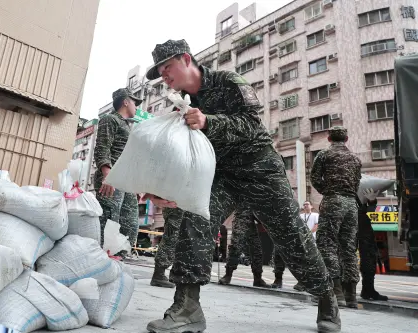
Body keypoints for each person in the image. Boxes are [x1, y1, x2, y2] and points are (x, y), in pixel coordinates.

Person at [141, 39, 340, 333]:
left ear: (186, 59)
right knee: (195, 217)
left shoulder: (228, 81)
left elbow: (250, 123)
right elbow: (181, 148)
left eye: (167, 67)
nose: (165, 77)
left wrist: (209, 121)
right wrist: (159, 185)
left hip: (261, 170)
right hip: (223, 176)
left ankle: (326, 298)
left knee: (291, 235)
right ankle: (187, 307)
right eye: (160, 72)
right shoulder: (181, 103)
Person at [311, 126, 362, 308]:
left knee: (327, 244)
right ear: (346, 138)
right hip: (351, 204)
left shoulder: (324, 155)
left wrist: (329, 192)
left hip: (334, 201)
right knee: (348, 248)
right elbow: (357, 183)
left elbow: (315, 179)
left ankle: (336, 292)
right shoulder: (356, 159)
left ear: (329, 138)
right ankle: (352, 296)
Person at [93, 88, 142, 257]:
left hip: (125, 181)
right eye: (134, 102)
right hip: (111, 177)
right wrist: (107, 175)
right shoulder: (110, 119)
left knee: (130, 222)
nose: (136, 106)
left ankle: (118, 258)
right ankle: (100, 258)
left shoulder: (127, 125)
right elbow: (102, 147)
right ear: (126, 101)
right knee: (109, 220)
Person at [218, 208, 271, 288]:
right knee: (235, 249)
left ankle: (257, 278)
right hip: (241, 220)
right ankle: (228, 275)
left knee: (257, 251)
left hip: (251, 223)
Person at [357, 188, 388, 301]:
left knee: (370, 258)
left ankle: (368, 290)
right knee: (345, 260)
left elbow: (370, 212)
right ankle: (345, 291)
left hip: (363, 227)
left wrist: (371, 201)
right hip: (348, 227)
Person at [150, 208, 183, 288]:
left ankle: (163, 274)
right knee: (172, 237)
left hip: (179, 203)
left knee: (175, 236)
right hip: (177, 203)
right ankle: (158, 275)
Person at [293, 201, 319, 291]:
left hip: (311, 239)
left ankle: (309, 281)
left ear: (311, 206)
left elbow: (316, 225)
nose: (305, 206)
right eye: (304, 204)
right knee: (302, 259)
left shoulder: (315, 215)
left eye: (307, 204)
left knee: (309, 259)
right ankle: (302, 281)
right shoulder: (300, 216)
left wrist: (308, 233)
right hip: (302, 239)